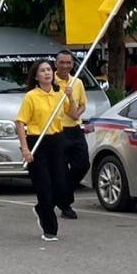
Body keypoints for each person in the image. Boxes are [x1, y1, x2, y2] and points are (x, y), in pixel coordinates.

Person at [15, 59, 67, 241]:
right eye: (43, 70)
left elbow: (74, 114)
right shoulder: (31, 96)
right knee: (44, 187)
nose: (47, 73)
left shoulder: (60, 95)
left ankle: (41, 208)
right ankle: (49, 228)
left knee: (61, 187)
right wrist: (25, 149)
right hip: (37, 142)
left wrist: (71, 97)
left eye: (49, 70)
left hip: (57, 141)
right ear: (36, 76)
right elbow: (20, 122)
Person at [52, 50, 89, 220]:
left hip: (75, 129)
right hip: (58, 130)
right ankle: (66, 204)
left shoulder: (78, 82)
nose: (65, 66)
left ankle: (62, 196)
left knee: (82, 165)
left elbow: (82, 105)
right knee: (59, 168)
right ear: (56, 64)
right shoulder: (49, 81)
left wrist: (78, 112)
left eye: (69, 63)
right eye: (62, 62)